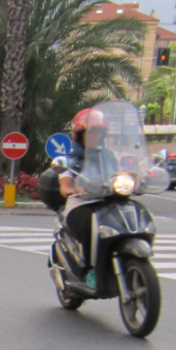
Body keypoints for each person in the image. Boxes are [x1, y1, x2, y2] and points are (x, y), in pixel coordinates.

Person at [58, 107, 119, 288]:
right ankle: (89, 270)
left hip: (106, 203)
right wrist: (70, 188)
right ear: (80, 134)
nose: (95, 136)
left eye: (99, 132)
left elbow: (119, 175)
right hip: (81, 205)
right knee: (93, 224)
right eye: (91, 132)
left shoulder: (109, 156)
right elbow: (65, 184)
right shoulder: (71, 157)